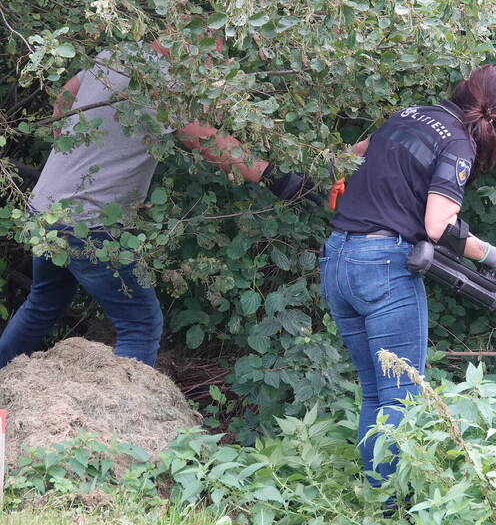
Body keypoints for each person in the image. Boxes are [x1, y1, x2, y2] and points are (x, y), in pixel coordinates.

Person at [0, 39, 310, 369]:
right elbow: (205, 141)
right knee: (140, 324)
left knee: (43, 303)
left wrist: (76, 153)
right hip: (89, 223)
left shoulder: (117, 56)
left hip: (47, 210)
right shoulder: (161, 82)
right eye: (213, 47)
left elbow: (65, 93)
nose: (216, 59)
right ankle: (125, 418)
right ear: (184, 34)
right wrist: (274, 176)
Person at [322, 64, 496, 491]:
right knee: (400, 395)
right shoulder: (457, 143)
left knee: (375, 390)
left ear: (462, 89)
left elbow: (344, 157)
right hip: (382, 267)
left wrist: (343, 179)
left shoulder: (408, 114)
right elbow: (437, 225)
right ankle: (391, 506)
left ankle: (378, 498)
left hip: (339, 258)